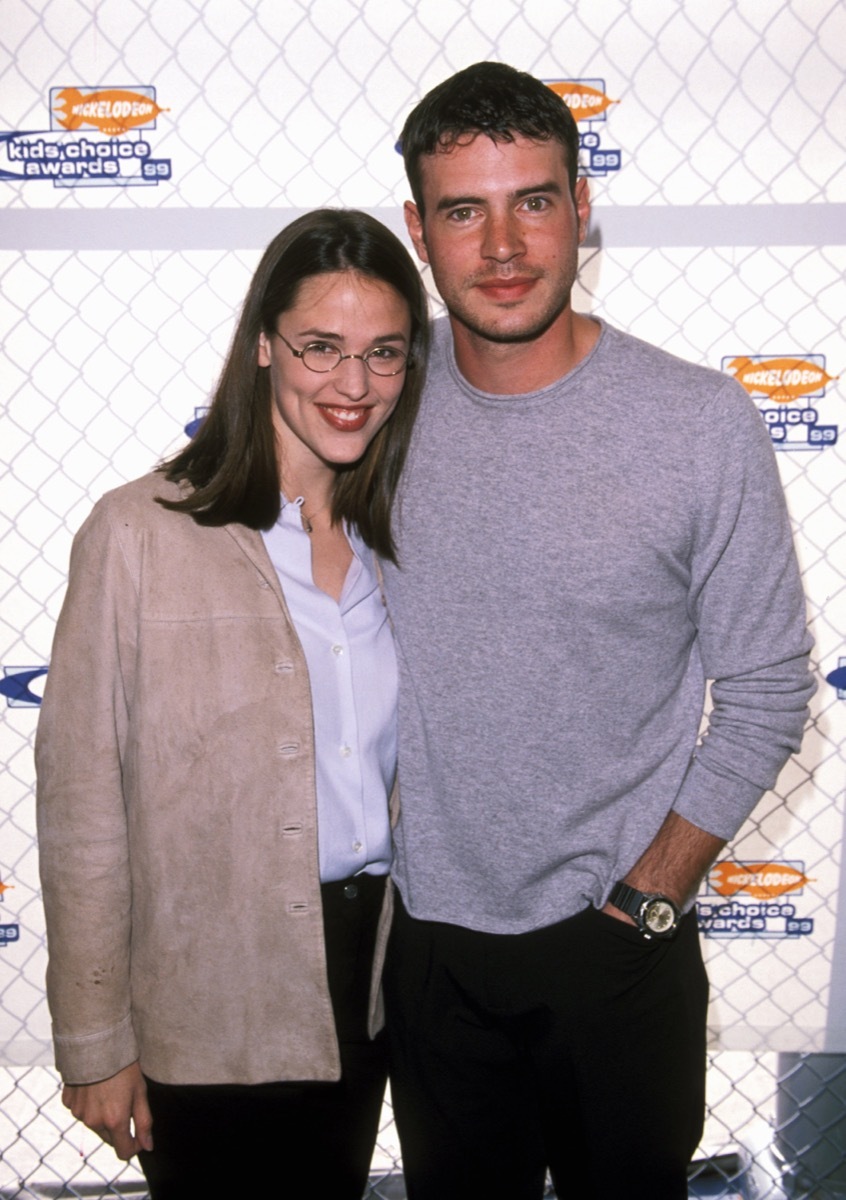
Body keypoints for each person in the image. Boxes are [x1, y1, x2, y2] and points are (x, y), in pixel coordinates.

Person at [380, 62, 816, 1200]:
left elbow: (769, 690)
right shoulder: (373, 404)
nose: (505, 245)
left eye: (533, 199)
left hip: (621, 943)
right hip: (428, 941)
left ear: (582, 207)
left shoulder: (697, 423)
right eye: (465, 210)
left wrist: (650, 894)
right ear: (417, 232)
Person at [35, 208, 429, 1199]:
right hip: (206, 996)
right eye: (321, 348)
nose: (353, 384)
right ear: (263, 344)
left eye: (384, 353)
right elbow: (81, 804)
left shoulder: (406, 541)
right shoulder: (139, 534)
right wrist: (93, 1039)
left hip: (374, 983)